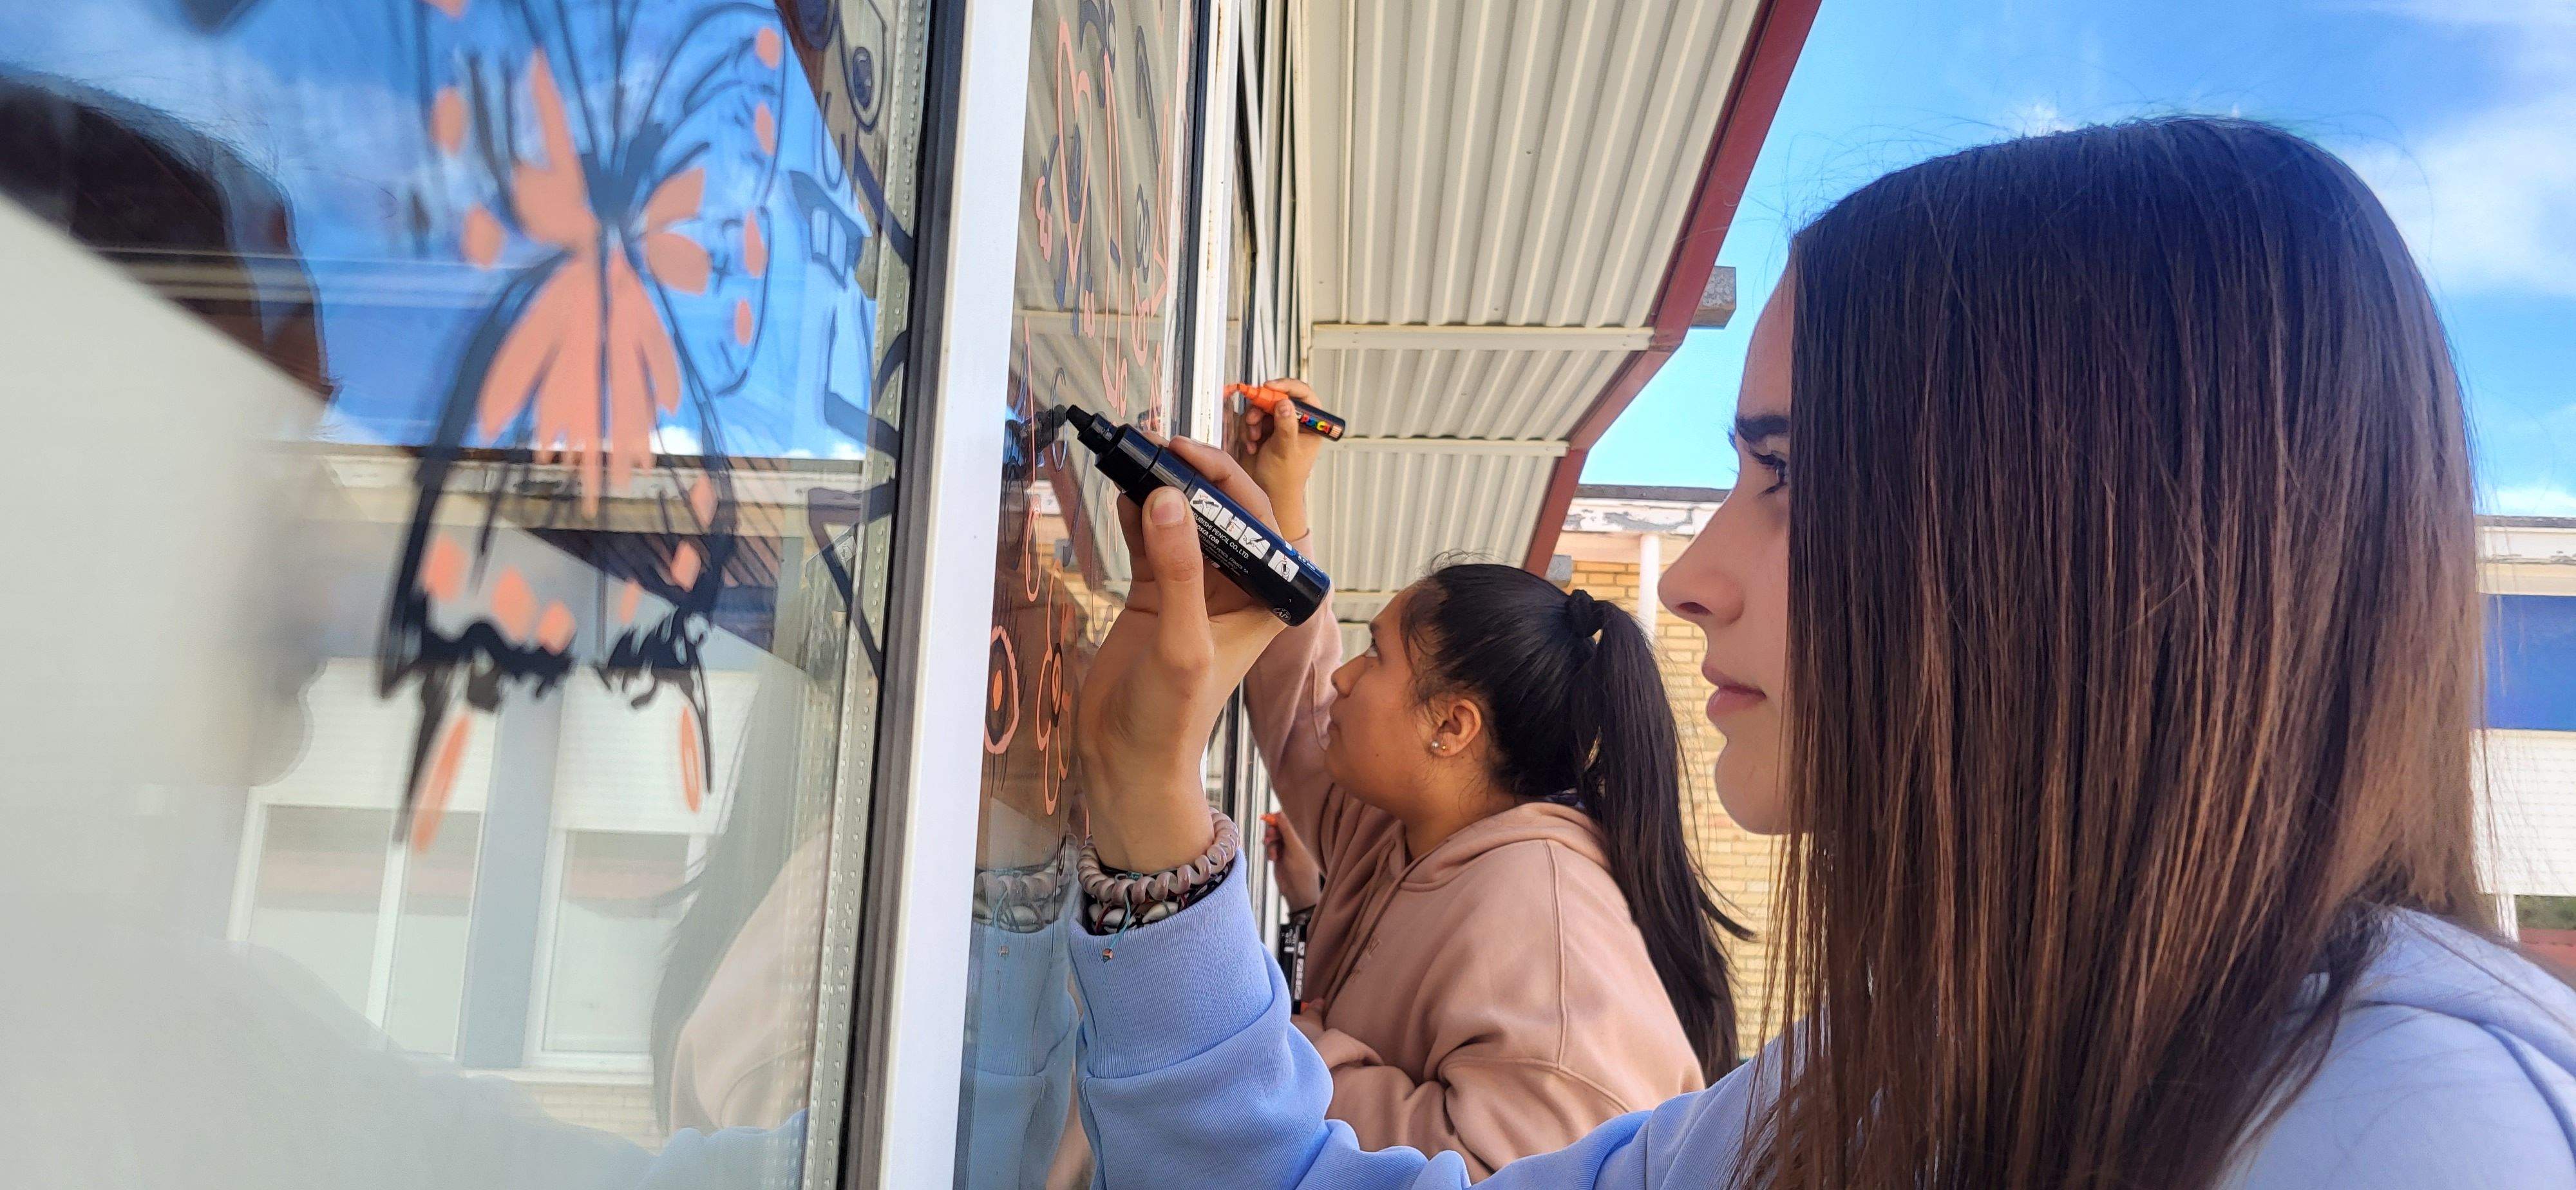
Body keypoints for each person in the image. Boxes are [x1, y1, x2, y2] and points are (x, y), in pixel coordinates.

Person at [1051, 117, 2576, 1187]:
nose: (1698, 576)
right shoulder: (1896, 1074)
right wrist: (1142, 804)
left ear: (2066, 534)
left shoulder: (2407, 1132)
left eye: (1784, 477)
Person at [1222, 378, 1745, 1176]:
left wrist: (1295, 1047)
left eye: (1377, 655)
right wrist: (1278, 503)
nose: (1345, 678)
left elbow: (1509, 1169)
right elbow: (1299, 710)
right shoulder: (1404, 829)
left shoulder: (1546, 920)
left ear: (1451, 726)